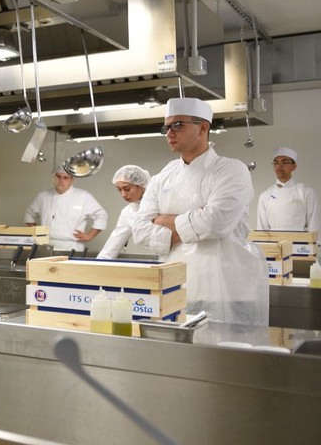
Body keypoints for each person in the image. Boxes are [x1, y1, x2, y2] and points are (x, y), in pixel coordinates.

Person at [130, 97, 268, 326]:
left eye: (178, 125)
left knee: (224, 358)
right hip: (173, 287)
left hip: (223, 290)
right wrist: (195, 223)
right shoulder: (163, 176)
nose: (169, 133)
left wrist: (163, 221)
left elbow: (215, 222)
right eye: (166, 127)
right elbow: (140, 231)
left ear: (203, 128)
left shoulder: (230, 170)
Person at [24, 165, 107, 253]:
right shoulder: (43, 196)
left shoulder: (83, 196)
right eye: (58, 177)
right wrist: (36, 232)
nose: (61, 180)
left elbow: (102, 215)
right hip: (46, 246)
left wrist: (89, 236)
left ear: (72, 179)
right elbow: (29, 214)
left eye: (65, 178)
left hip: (72, 247)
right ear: (54, 178)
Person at [97, 165, 155, 259]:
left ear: (141, 186)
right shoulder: (128, 213)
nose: (123, 194)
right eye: (119, 190)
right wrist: (96, 266)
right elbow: (111, 248)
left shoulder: (161, 202)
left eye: (127, 189)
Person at [257, 147, 320, 233]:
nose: (280, 166)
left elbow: (314, 225)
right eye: (276, 162)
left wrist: (313, 245)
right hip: (274, 244)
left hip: (300, 244)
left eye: (285, 162)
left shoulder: (306, 192)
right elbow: (262, 230)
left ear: (294, 166)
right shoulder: (265, 196)